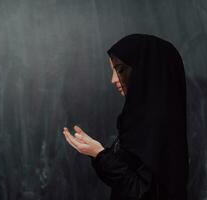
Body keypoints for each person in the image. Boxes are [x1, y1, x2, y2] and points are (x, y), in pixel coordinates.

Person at [63, 33, 189, 199]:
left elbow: (140, 192)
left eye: (120, 69)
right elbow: (125, 180)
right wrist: (96, 153)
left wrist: (100, 154)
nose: (113, 80)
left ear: (146, 71)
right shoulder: (138, 119)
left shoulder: (158, 126)